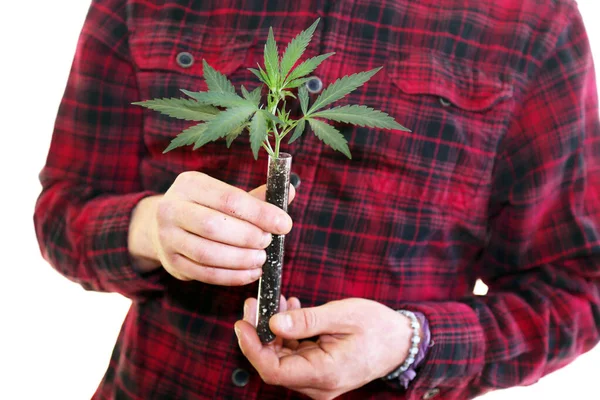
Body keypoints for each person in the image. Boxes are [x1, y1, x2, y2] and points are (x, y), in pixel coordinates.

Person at [34, 0, 600, 399]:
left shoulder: (531, 18)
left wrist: (411, 343)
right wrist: (150, 230)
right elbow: (65, 205)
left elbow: (576, 288)